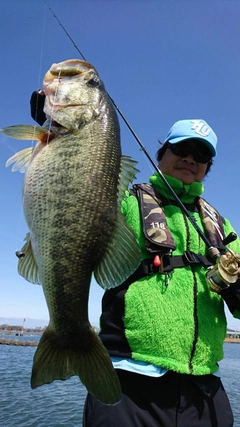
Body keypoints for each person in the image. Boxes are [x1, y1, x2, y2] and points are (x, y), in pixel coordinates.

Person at [30, 95, 240, 426]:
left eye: (201, 154)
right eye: (181, 148)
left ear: (208, 167)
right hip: (129, 383)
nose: (189, 158)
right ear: (163, 153)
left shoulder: (221, 226)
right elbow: (76, 203)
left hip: (204, 389)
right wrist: (53, 130)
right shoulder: (127, 200)